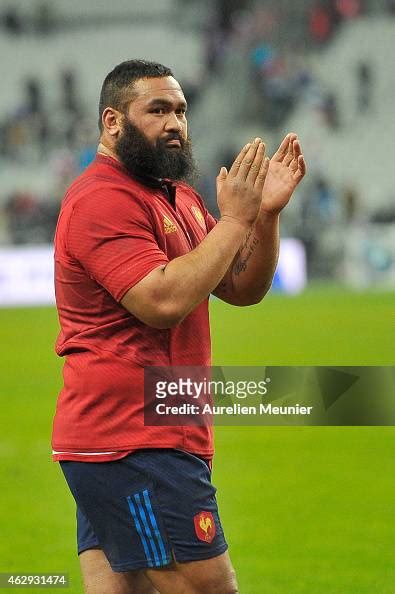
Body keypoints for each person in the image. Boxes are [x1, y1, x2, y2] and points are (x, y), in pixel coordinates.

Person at [52, 59, 306, 594]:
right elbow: (161, 301)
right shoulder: (102, 198)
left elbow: (240, 287)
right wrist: (235, 220)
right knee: (209, 587)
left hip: (145, 435)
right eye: (158, 110)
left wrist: (263, 217)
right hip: (133, 440)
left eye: (182, 111)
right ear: (112, 121)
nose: (175, 123)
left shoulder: (178, 196)